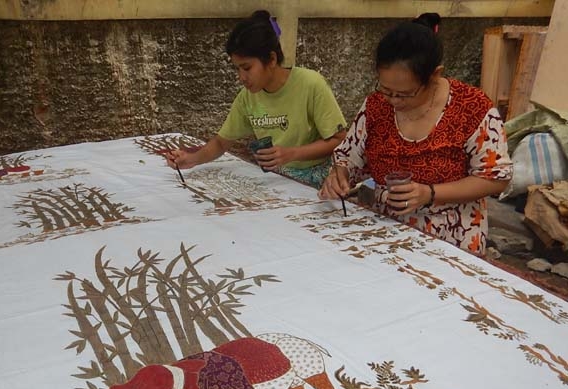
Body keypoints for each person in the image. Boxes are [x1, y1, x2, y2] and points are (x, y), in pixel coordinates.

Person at [319, 13, 512, 256]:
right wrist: (340, 173)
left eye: (405, 94)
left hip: (451, 238)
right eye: (386, 90)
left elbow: (496, 177)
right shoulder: (376, 106)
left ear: (435, 75)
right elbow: (348, 156)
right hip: (385, 232)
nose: (393, 101)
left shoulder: (471, 107)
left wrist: (430, 194)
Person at [166, 10, 347, 189]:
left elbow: (340, 140)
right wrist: (191, 159)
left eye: (247, 68)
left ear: (272, 58)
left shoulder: (310, 84)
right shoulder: (247, 97)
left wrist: (292, 154)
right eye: (237, 69)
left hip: (317, 182)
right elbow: (222, 142)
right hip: (276, 180)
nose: (242, 77)